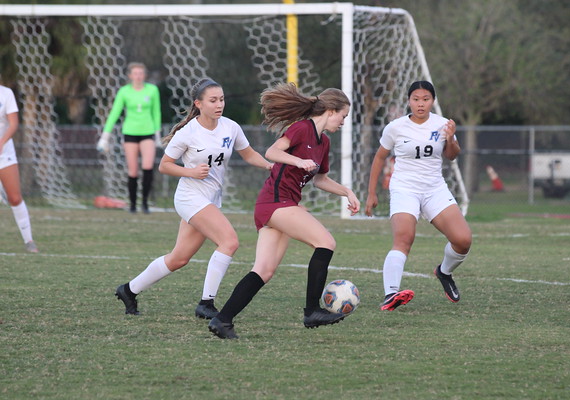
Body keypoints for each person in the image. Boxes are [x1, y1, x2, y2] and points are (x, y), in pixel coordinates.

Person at [208, 83, 361, 339]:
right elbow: (272, 151)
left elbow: (321, 180)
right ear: (332, 110)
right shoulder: (302, 128)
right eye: (343, 116)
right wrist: (298, 160)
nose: (344, 122)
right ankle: (312, 311)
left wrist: (348, 192)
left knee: (264, 271)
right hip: (275, 202)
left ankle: (222, 320)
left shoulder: (323, 142)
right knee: (325, 242)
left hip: (281, 204)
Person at [114, 78, 272, 317]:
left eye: (221, 99)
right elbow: (164, 166)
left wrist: (271, 166)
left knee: (179, 258)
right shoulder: (188, 133)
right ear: (198, 104)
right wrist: (190, 172)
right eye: (213, 100)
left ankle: (128, 290)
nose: (219, 104)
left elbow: (249, 155)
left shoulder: (230, 127)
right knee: (229, 242)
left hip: (209, 200)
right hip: (190, 197)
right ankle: (206, 304)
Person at [365, 80, 471, 309]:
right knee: (404, 238)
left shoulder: (443, 124)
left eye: (426, 99)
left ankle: (444, 272)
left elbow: (452, 156)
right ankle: (390, 294)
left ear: (433, 101)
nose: (421, 104)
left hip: (434, 189)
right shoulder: (395, 127)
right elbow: (379, 157)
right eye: (416, 99)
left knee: (463, 241)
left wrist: (451, 138)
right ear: (409, 101)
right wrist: (371, 193)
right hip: (404, 188)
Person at [97, 62, 162, 214]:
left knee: (148, 167)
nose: (138, 76)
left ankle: (145, 203)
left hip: (148, 133)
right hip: (130, 133)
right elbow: (114, 113)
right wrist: (105, 137)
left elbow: (156, 112)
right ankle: (133, 205)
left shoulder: (152, 90)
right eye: (135, 73)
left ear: (144, 75)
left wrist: (158, 135)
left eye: (141, 73)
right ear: (130, 75)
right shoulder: (124, 92)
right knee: (133, 171)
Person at [0, 84, 38, 253]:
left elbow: (13, 123)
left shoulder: (6, 93)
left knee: (14, 198)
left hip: (4, 153)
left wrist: (2, 142)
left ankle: (29, 240)